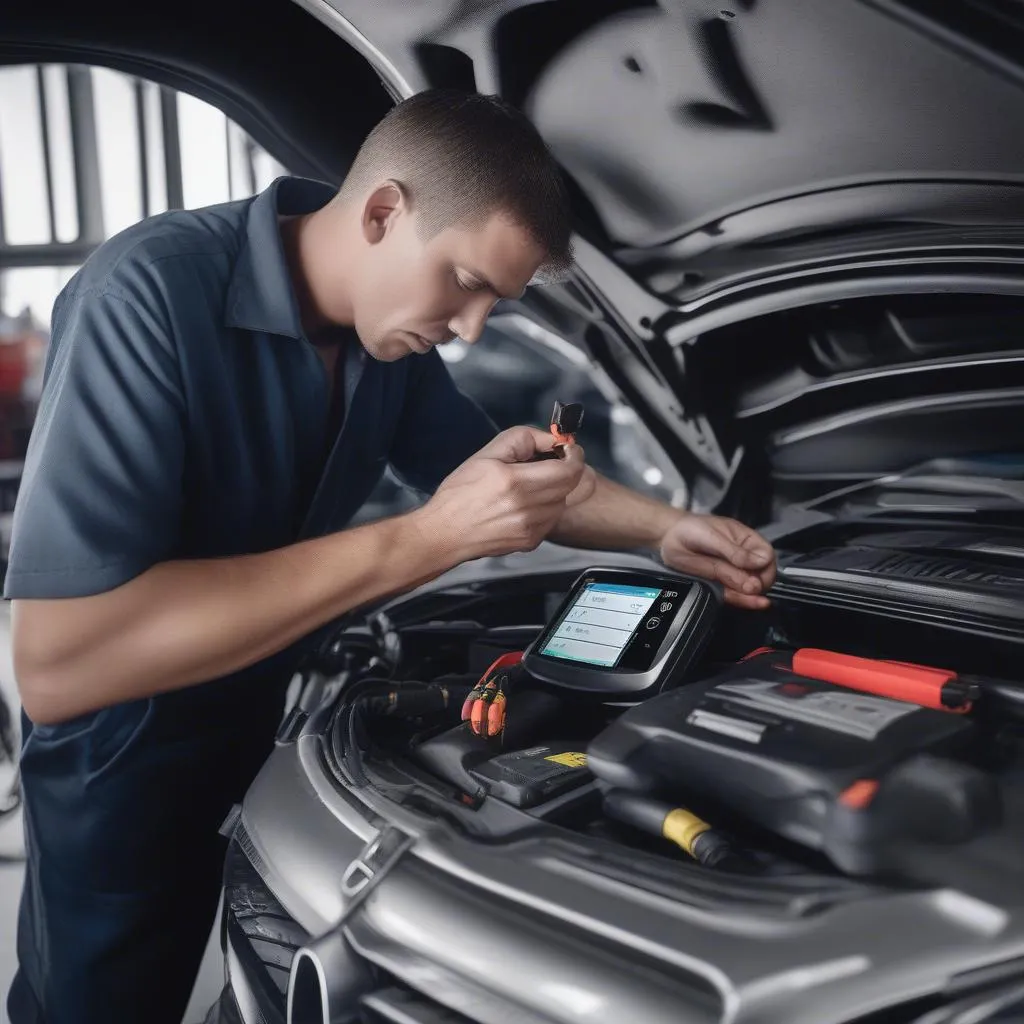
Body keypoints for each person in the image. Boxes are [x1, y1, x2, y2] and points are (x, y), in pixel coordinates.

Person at [3, 89, 776, 1024]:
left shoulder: (387, 342)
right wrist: (427, 538)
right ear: (382, 212)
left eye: (497, 301)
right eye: (465, 280)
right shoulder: (146, 294)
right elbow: (58, 663)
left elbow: (502, 477)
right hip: (120, 760)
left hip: (265, 729)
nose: (472, 328)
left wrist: (660, 527)